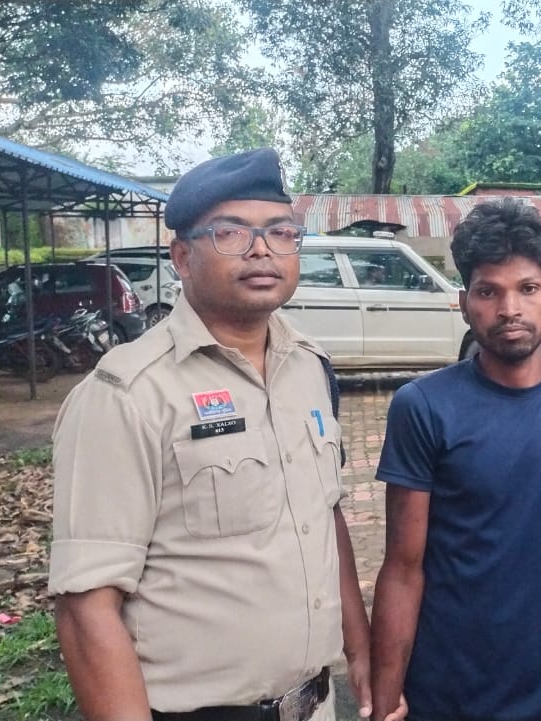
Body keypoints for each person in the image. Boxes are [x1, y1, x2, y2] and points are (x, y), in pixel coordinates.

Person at [48, 148, 374, 721]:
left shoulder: (309, 365)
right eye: (231, 233)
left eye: (281, 232)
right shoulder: (127, 394)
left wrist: (360, 648)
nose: (261, 250)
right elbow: (85, 607)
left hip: (314, 705)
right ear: (182, 256)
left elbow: (325, 516)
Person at [370, 199, 541, 721]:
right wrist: (386, 699)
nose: (510, 308)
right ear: (464, 303)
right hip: (445, 690)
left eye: (528, 288)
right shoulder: (423, 406)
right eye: (489, 291)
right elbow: (402, 567)